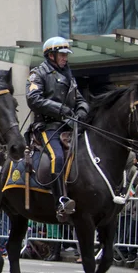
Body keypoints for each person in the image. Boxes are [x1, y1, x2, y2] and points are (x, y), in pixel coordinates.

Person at [26, 36, 89, 222]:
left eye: (66, 55)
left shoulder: (69, 75)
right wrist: (60, 109)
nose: (65, 58)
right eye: (61, 54)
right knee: (57, 156)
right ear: (50, 55)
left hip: (69, 127)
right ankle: (60, 200)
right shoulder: (38, 74)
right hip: (48, 127)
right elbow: (33, 99)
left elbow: (79, 100)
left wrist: (82, 110)